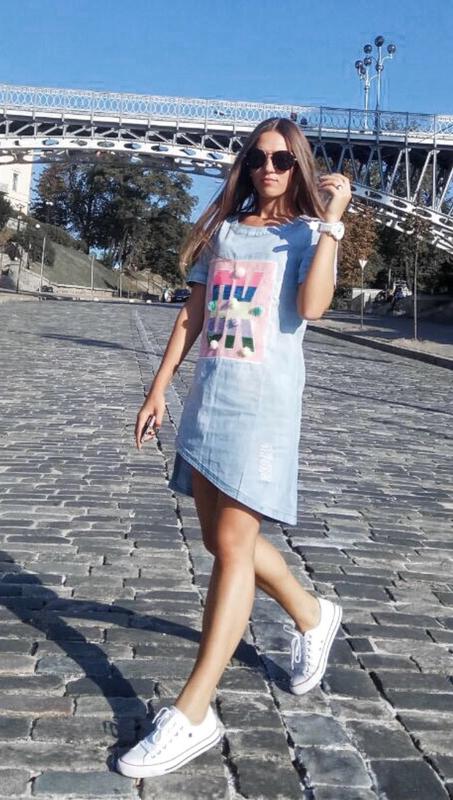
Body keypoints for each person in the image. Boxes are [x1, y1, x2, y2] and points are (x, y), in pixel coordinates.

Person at [117, 116, 351, 780]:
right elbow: (192, 314)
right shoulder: (224, 232)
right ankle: (312, 614)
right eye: (257, 158)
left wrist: (332, 223)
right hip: (209, 402)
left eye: (281, 159)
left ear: (298, 165)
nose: (267, 168)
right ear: (245, 165)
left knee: (231, 549)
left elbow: (312, 307)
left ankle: (193, 711)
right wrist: (158, 388)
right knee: (224, 543)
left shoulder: (307, 234)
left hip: (263, 412)